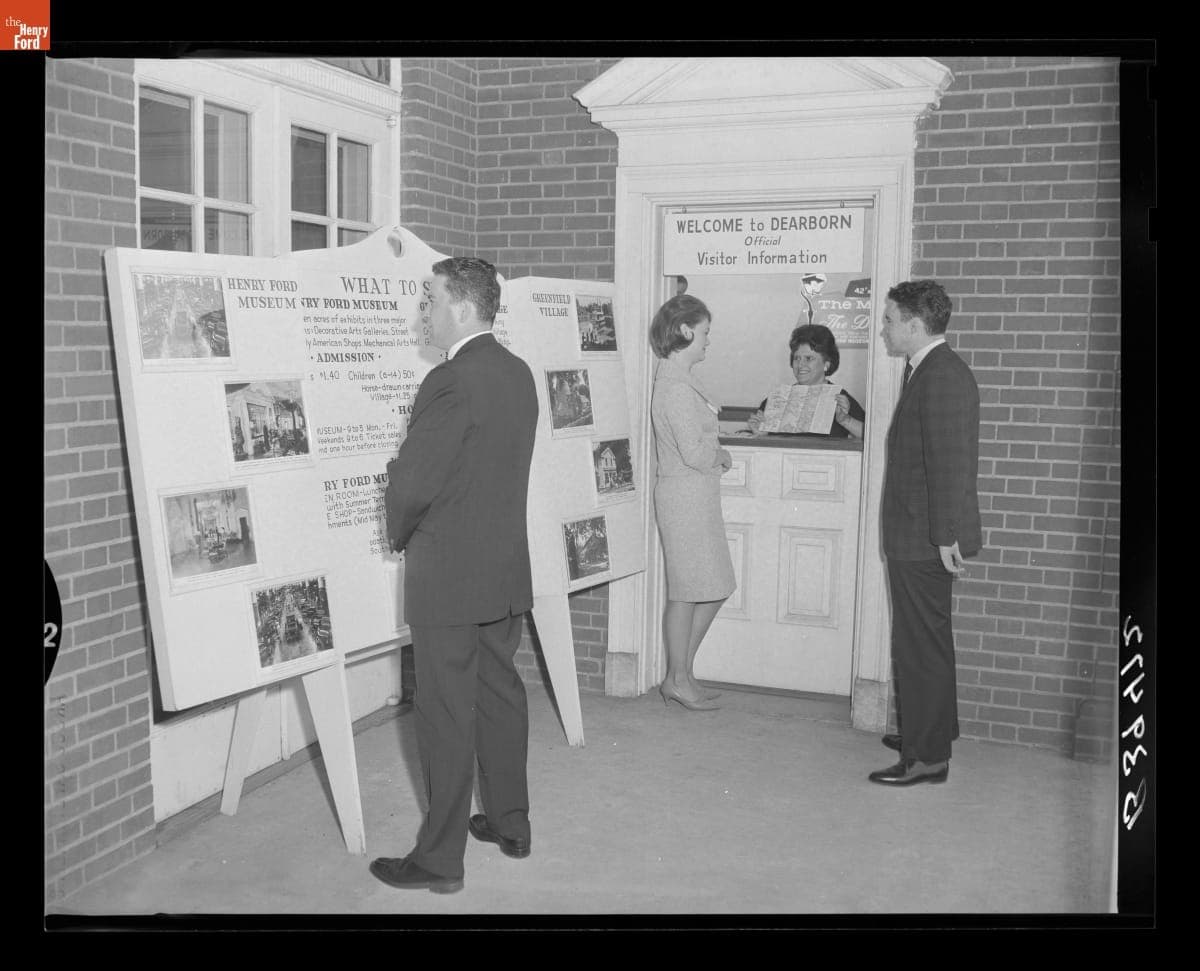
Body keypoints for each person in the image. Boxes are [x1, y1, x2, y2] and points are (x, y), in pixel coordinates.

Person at [371, 257, 538, 893]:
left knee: (444, 711)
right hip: (502, 570)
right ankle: (511, 823)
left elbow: (415, 481)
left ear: (462, 309)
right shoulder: (517, 372)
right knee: (500, 693)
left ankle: (439, 861)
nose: (423, 314)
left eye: (430, 301)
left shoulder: (449, 380)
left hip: (449, 575)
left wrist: (397, 529)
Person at [870, 279, 981, 787]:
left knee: (921, 645)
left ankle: (927, 758)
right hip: (919, 534)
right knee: (923, 641)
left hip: (925, 538)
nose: (884, 329)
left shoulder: (941, 376)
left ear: (915, 326)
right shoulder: (930, 370)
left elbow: (950, 466)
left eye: (890, 320)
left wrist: (944, 537)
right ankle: (926, 731)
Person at [649, 294, 736, 712]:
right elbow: (695, 453)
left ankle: (680, 675)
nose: (707, 341)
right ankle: (678, 679)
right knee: (687, 592)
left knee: (711, 587)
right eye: (704, 333)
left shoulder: (682, 379)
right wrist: (720, 454)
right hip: (685, 497)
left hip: (693, 497)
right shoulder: (674, 386)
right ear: (685, 331)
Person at [747, 324, 865, 439]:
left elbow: (871, 438)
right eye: (797, 358)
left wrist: (845, 420)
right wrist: (761, 434)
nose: (800, 365)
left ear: (826, 365)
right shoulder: (776, 399)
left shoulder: (840, 398)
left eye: (809, 358)